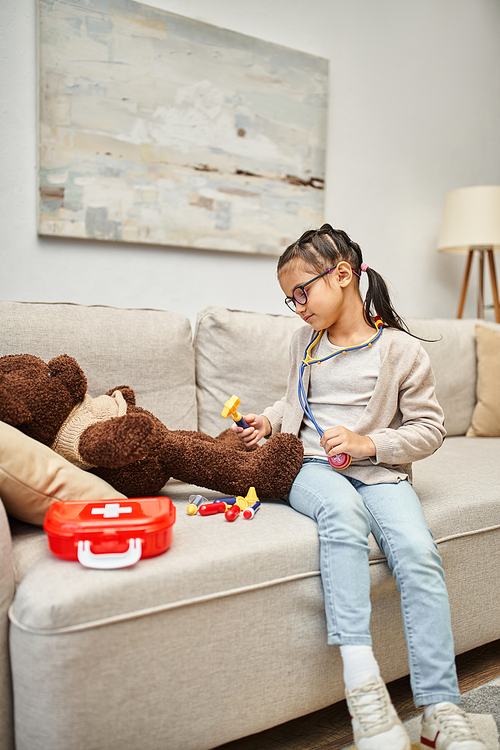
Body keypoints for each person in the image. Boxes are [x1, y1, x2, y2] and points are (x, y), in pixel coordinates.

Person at [232, 225, 487, 750]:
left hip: (379, 470)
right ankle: (364, 693)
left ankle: (440, 709)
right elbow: (297, 407)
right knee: (342, 516)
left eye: (302, 291)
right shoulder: (302, 342)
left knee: (418, 552)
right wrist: (269, 421)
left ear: (343, 275)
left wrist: (368, 444)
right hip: (310, 466)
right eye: (289, 298)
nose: (296, 306)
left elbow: (429, 429)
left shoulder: (401, 351)